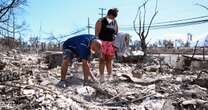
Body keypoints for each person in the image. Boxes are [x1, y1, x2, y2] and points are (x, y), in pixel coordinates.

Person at [95, 8, 119, 82]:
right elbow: (96, 34)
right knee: (102, 60)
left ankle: (109, 76)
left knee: (109, 60)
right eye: (112, 17)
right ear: (109, 14)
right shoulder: (101, 21)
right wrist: (97, 45)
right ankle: (102, 77)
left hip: (111, 43)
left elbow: (116, 32)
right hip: (102, 42)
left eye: (114, 17)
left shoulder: (114, 22)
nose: (113, 18)